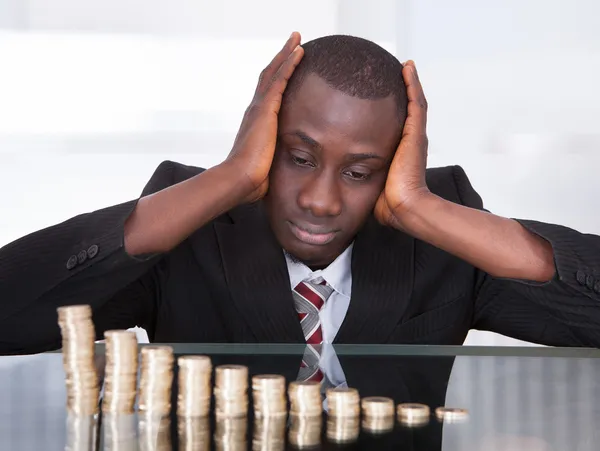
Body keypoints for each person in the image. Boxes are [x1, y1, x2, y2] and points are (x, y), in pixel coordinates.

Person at [0, 32, 599, 356]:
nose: (320, 200)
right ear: (265, 138)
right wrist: (233, 177)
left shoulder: (445, 229)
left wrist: (421, 208)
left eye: (360, 171)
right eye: (299, 157)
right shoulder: (188, 220)